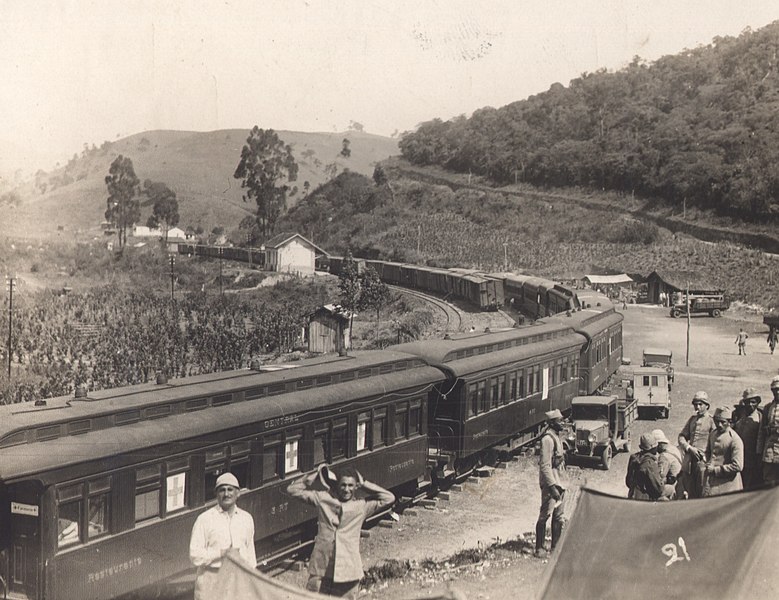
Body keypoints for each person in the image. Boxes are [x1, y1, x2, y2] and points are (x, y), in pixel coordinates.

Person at [286, 465, 395, 599]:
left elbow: (389, 497)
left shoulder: (361, 506)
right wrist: (316, 474)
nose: (346, 489)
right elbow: (292, 490)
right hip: (321, 566)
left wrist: (364, 482)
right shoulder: (323, 499)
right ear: (337, 485)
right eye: (343, 485)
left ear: (356, 487)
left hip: (348, 568)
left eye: (351, 485)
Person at [189, 472, 256, 600]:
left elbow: (250, 555)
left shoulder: (246, 519)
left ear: (238, 493)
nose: (226, 494)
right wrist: (221, 553)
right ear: (216, 494)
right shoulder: (205, 519)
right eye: (222, 490)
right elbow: (194, 555)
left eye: (230, 489)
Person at [535, 409, 568, 558]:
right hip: (552, 485)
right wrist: (552, 487)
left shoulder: (556, 437)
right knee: (545, 515)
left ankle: (555, 548)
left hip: (560, 483)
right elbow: (545, 466)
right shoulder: (547, 440)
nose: (562, 423)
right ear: (552, 423)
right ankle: (539, 548)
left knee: (559, 516)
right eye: (560, 421)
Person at [678, 391, 715, 498]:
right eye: (695, 404)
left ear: (707, 406)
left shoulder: (711, 421)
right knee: (690, 491)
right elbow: (681, 436)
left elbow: (716, 442)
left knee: (702, 491)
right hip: (690, 462)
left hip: (703, 463)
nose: (697, 407)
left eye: (700, 404)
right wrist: (689, 448)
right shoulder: (692, 420)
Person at [702, 406, 744, 496]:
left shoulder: (734, 439)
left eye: (723, 422)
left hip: (729, 486)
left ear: (729, 422)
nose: (719, 425)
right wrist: (707, 461)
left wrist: (715, 470)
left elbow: (738, 466)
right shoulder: (713, 434)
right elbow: (709, 451)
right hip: (712, 484)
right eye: (717, 421)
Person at [734, 387, 763, 490]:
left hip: (752, 459)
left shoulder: (760, 417)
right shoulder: (739, 416)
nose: (750, 404)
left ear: (758, 403)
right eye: (747, 402)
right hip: (737, 458)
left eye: (753, 402)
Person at [625, 433, 664, 501]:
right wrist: (662, 479)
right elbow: (658, 490)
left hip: (632, 495)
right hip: (645, 499)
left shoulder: (633, 458)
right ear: (652, 448)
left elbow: (628, 482)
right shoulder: (649, 463)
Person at [758, 376, 779, 485]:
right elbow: (761, 432)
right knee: (769, 482)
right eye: (775, 390)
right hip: (769, 452)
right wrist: (759, 451)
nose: (777, 392)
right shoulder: (768, 408)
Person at [653, 429, 682, 500]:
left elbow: (660, 479)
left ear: (659, 444)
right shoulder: (673, 448)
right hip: (680, 484)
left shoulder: (664, 456)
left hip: (673, 487)